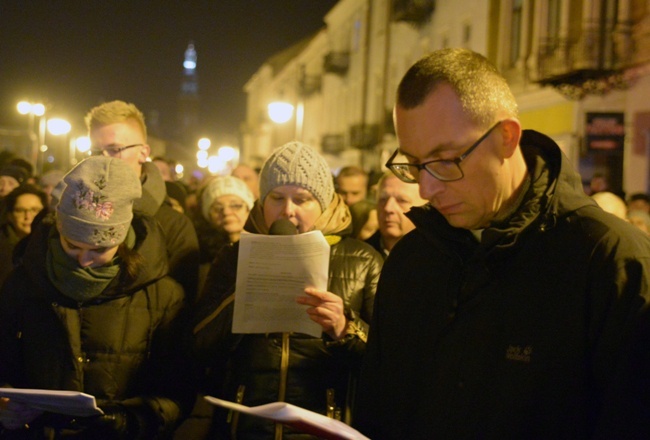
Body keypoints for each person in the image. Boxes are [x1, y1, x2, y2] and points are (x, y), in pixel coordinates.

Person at [354, 48, 650, 439]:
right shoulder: (412, 258)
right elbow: (379, 407)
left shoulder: (609, 261)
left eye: (445, 160)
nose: (426, 188)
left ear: (506, 137)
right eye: (413, 162)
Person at [192, 141, 383, 439]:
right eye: (277, 198)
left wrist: (344, 328)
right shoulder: (234, 256)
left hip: (322, 424)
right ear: (262, 202)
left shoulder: (363, 260)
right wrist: (240, 293)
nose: (287, 211)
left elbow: (386, 360)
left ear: (324, 202)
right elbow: (199, 346)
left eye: (302, 199)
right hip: (246, 425)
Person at [0, 156, 194, 439]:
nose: (84, 260)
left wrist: (126, 420)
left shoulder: (163, 295)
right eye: (73, 245)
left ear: (121, 238)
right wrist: (6, 406)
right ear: (59, 230)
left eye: (99, 249)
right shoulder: (25, 281)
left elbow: (177, 391)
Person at [85, 100, 200, 303]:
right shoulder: (70, 212)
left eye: (114, 149)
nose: (103, 159)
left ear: (143, 153)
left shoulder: (174, 226)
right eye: (96, 151)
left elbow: (182, 305)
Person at [196, 175, 255, 293]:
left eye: (235, 206)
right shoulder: (199, 255)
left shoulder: (262, 250)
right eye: (218, 208)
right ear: (208, 214)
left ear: (248, 209)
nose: (226, 212)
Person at [364, 171, 427, 258]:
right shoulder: (358, 255)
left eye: (402, 200)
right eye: (383, 199)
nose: (388, 208)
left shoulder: (440, 258)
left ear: (425, 207)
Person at [0, 184, 47, 286]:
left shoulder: (52, 245)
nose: (28, 216)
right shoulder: (3, 248)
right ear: (10, 216)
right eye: (20, 210)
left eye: (35, 210)